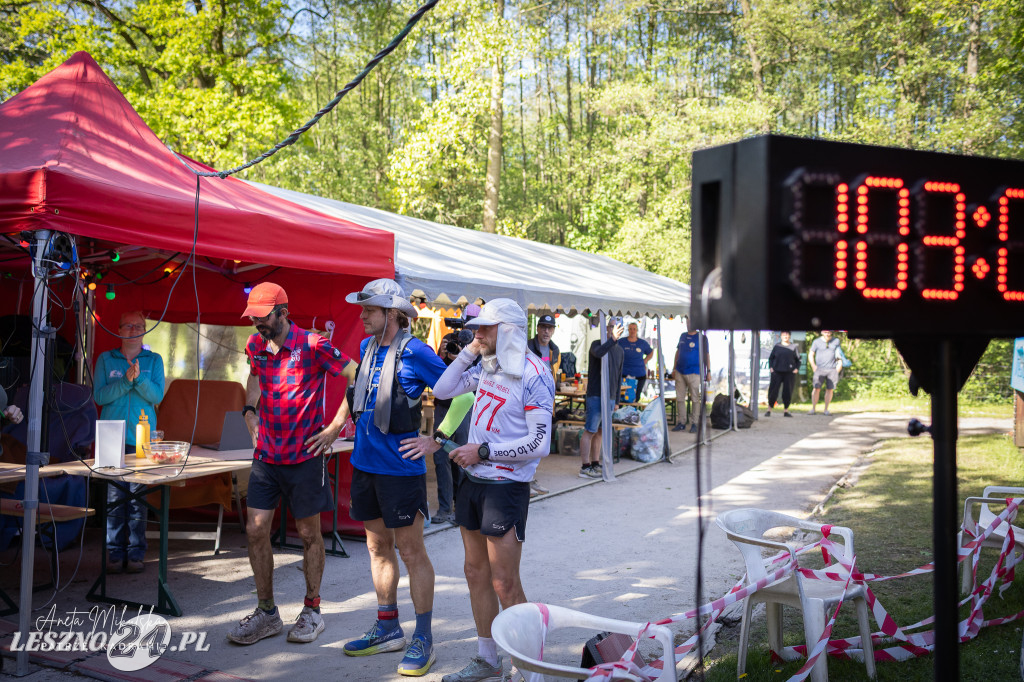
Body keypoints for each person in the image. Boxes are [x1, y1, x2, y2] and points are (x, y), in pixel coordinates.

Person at [432, 298, 554, 682]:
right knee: (474, 572)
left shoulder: (535, 373)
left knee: (505, 581)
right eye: (476, 328)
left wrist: (483, 449)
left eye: (485, 328)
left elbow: (540, 443)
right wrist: (473, 348)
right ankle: (488, 658)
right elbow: (442, 388)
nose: (476, 333)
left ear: (511, 332)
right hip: (474, 481)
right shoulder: (488, 364)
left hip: (506, 486)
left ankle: (527, 667)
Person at [229, 283, 353, 646]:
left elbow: (355, 374)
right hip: (266, 455)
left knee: (310, 534)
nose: (257, 324)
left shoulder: (313, 344)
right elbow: (253, 378)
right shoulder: (255, 345)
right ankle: (266, 612)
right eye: (253, 317)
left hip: (304, 458)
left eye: (263, 317)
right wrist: (250, 411)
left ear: (283, 312)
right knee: (255, 530)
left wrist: (334, 427)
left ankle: (312, 610)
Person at [342, 278, 448, 677]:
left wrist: (436, 440)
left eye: (368, 309)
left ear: (390, 313)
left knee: (411, 551)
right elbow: (358, 396)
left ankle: (424, 637)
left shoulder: (416, 351)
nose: (362, 315)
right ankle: (388, 627)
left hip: (401, 471)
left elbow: (462, 394)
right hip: (366, 465)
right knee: (376, 547)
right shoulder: (368, 348)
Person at [93, 310, 165, 575]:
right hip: (111, 435)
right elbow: (100, 397)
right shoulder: (105, 359)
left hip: (142, 436)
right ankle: (114, 553)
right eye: (128, 325)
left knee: (137, 498)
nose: (134, 330)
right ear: (119, 330)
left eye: (139, 326)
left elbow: (156, 395)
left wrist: (139, 379)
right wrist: (126, 381)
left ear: (145, 330)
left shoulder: (154, 359)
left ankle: (136, 553)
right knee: (114, 496)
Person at [579, 319, 624, 479]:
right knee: (590, 430)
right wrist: (612, 340)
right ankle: (584, 467)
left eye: (616, 327)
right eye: (611, 326)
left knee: (600, 432)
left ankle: (595, 463)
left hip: (610, 398)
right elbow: (599, 353)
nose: (613, 330)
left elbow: (619, 377)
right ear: (606, 328)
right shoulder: (596, 344)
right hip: (596, 395)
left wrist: (617, 400)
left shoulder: (619, 350)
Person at [525, 313, 561, 496]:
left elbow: (555, 376)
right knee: (527, 441)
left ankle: (531, 477)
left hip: (546, 404)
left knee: (539, 445)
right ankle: (526, 480)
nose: (546, 331)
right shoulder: (528, 347)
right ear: (537, 328)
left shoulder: (556, 351)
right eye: (543, 327)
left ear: (553, 330)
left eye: (550, 328)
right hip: (528, 402)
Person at [673, 317, 710, 434]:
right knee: (680, 398)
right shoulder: (682, 336)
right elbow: (678, 352)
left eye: (691, 321)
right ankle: (681, 422)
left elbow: (707, 355)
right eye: (688, 322)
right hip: (680, 371)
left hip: (695, 372)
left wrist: (708, 371)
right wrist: (674, 367)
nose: (689, 324)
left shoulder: (702, 337)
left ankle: (694, 423)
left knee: (695, 399)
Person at [765, 331, 800, 418]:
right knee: (773, 391)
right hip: (777, 372)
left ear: (789, 336)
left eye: (787, 334)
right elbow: (771, 358)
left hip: (789, 373)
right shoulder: (777, 346)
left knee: (787, 391)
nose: (785, 336)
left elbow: (798, 360)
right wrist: (771, 367)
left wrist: (796, 369)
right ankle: (769, 410)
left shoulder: (793, 347)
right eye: (784, 335)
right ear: (781, 336)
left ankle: (786, 411)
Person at [617, 321, 653, 399]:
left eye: (634, 329)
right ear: (628, 330)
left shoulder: (642, 343)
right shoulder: (621, 342)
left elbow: (651, 352)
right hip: (624, 374)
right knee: (622, 397)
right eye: (630, 329)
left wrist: (645, 360)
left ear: (637, 330)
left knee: (636, 397)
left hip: (639, 374)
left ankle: (634, 411)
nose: (632, 331)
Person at [809, 330, 841, 416]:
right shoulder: (816, 341)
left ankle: (826, 410)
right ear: (822, 332)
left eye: (829, 332)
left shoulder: (836, 341)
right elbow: (811, 354)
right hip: (819, 369)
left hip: (832, 369)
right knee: (816, 388)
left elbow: (839, 355)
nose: (827, 333)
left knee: (830, 389)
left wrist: (838, 366)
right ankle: (813, 409)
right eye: (825, 332)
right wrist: (813, 366)